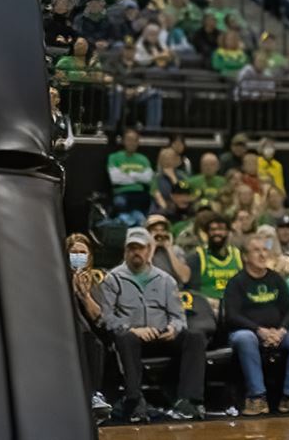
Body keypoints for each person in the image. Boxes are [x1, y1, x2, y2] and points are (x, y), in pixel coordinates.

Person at [99, 228, 206, 422]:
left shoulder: (166, 280)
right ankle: (134, 400)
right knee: (124, 338)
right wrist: (131, 329)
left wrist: (174, 328)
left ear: (149, 250)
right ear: (125, 251)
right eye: (131, 248)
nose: (136, 253)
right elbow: (106, 318)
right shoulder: (112, 279)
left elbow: (179, 317)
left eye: (140, 248)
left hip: (161, 335)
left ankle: (189, 401)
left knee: (195, 337)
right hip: (132, 338)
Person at [224, 236, 289, 416]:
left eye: (265, 250)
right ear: (245, 256)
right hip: (248, 332)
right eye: (256, 250)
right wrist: (259, 330)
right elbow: (232, 315)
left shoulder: (276, 279)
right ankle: (257, 397)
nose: (263, 254)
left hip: (277, 332)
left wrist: (281, 331)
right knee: (244, 338)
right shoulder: (236, 282)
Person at [66, 234, 113, 422]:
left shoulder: (95, 281)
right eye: (74, 253)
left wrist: (85, 296)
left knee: (95, 341)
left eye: (82, 253)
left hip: (92, 331)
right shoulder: (55, 277)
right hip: (64, 330)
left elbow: (100, 318)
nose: (78, 257)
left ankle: (94, 395)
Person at [185, 215, 243, 312]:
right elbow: (192, 289)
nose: (217, 232)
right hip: (207, 307)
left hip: (234, 306)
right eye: (213, 229)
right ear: (207, 233)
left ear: (228, 232)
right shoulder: (198, 256)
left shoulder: (238, 255)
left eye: (221, 229)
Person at [107, 129, 153, 226]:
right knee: (120, 203)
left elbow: (148, 178)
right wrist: (138, 176)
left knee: (143, 209)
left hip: (139, 194)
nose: (131, 143)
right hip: (121, 193)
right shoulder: (114, 157)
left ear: (138, 142)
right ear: (123, 141)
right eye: (129, 140)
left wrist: (129, 175)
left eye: (134, 140)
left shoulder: (143, 159)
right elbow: (116, 179)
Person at [146, 214, 191, 284]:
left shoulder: (176, 250)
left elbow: (185, 278)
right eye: (155, 230)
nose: (159, 234)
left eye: (162, 230)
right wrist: (152, 249)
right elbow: (142, 276)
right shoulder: (142, 251)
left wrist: (169, 249)